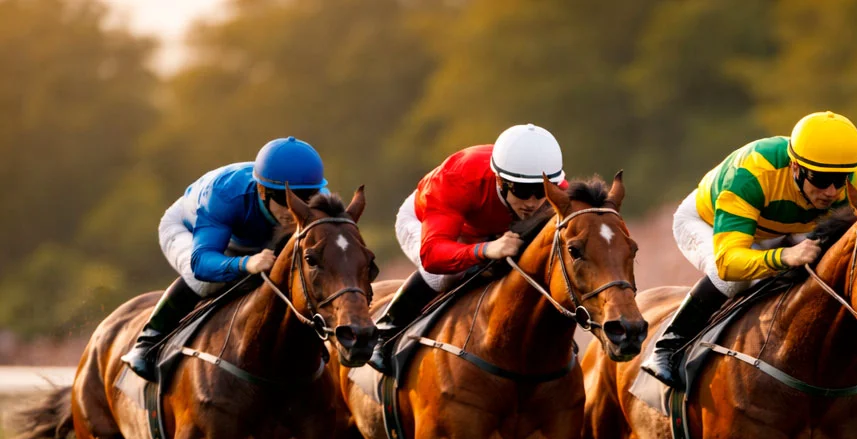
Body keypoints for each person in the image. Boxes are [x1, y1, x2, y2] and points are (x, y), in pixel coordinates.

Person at [641, 111, 857, 388]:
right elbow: (729, 261)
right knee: (733, 280)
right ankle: (667, 346)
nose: (832, 191)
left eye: (840, 180)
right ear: (796, 167)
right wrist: (784, 256)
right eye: (821, 180)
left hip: (786, 230)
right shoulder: (751, 174)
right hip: (710, 224)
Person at [123, 137, 327, 379]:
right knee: (206, 281)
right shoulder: (225, 195)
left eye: (305, 199)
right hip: (190, 230)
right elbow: (201, 263)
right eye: (284, 200)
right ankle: (148, 341)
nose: (293, 209)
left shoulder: (319, 198)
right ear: (262, 191)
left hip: (254, 237)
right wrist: (245, 263)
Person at [370, 124, 566, 371]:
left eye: (541, 193)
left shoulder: (554, 188)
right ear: (500, 179)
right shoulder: (457, 179)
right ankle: (384, 334)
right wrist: (485, 250)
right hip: (427, 222)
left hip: (490, 231)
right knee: (442, 275)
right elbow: (433, 255)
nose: (532, 203)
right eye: (523, 191)